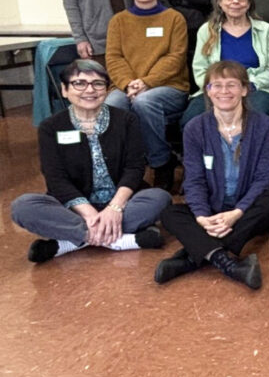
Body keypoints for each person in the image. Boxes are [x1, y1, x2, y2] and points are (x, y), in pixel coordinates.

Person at [12, 59, 169, 263]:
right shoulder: (51, 127)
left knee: (160, 198)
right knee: (23, 207)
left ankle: (69, 242)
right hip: (74, 208)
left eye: (97, 83)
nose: (90, 90)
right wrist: (89, 213)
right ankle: (120, 240)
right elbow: (55, 178)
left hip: (123, 202)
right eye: (79, 83)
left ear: (106, 89)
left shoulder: (126, 120)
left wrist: (114, 208)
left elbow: (134, 168)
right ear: (65, 90)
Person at [155, 61, 269, 289]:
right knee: (169, 213)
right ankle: (229, 264)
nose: (224, 92)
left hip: (246, 207)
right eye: (216, 85)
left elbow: (265, 178)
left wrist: (236, 213)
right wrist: (201, 217)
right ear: (207, 91)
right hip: (213, 207)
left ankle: (190, 258)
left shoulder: (263, 125)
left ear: (245, 89)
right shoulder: (195, 128)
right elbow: (194, 180)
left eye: (231, 85)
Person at [103, 0, 189, 190]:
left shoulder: (174, 18)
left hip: (169, 87)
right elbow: (114, 57)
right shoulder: (118, 21)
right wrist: (128, 83)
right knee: (111, 104)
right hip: (127, 86)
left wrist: (146, 82)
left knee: (145, 101)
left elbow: (175, 57)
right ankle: (126, 168)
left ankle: (161, 162)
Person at [180, 0, 269, 127]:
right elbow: (200, 69)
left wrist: (249, 86)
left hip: (253, 89)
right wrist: (216, 88)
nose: (235, 1)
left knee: (256, 120)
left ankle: (247, 151)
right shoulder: (207, 30)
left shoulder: (264, 30)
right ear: (219, 2)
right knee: (191, 121)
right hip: (216, 89)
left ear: (248, 3)